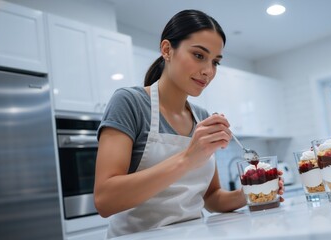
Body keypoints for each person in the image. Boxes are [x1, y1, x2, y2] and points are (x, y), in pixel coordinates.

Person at [94, 9, 284, 238]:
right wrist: (187, 158)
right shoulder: (130, 102)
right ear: (167, 50)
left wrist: (251, 192)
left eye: (215, 62)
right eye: (198, 55)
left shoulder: (201, 117)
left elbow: (212, 198)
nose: (208, 71)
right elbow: (105, 200)